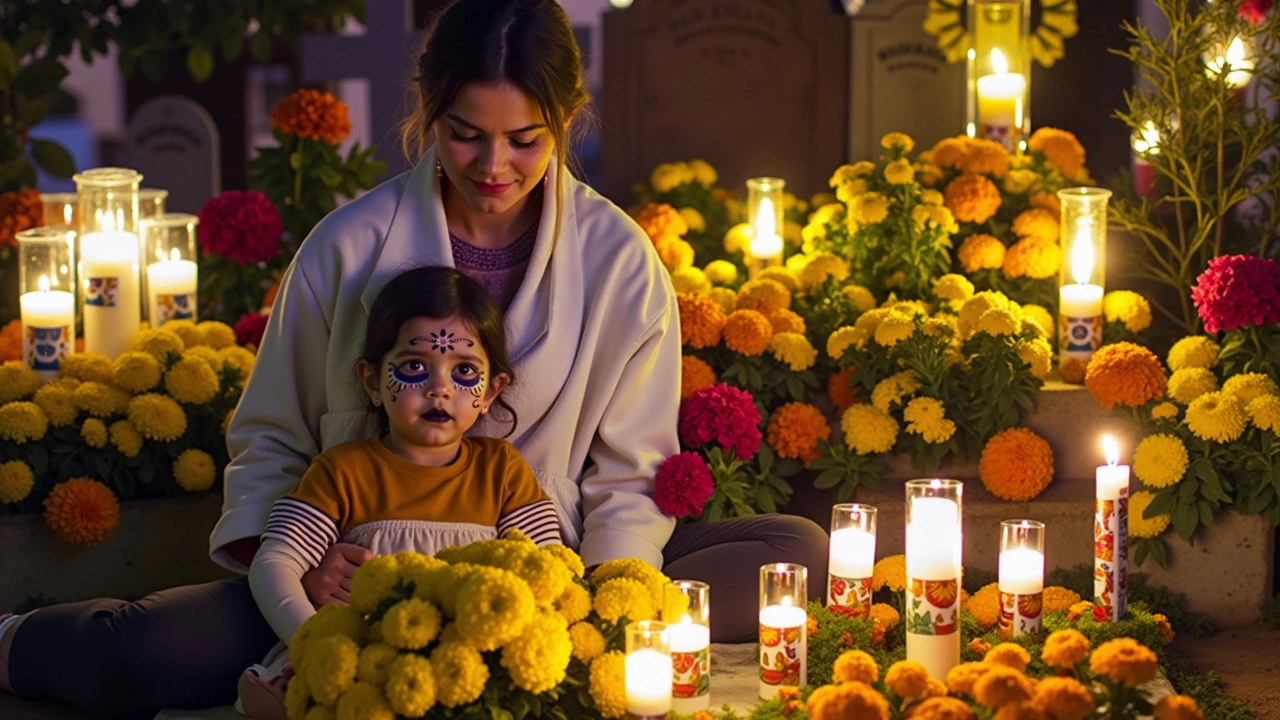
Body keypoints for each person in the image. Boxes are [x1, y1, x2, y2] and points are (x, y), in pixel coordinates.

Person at [0, 1, 826, 716]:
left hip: (548, 572)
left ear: (566, 122)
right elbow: (272, 440)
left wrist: (588, 608)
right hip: (363, 587)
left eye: (525, 140)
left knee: (792, 549)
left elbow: (629, 474)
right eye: (465, 136)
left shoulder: (618, 260)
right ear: (428, 115)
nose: (493, 168)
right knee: (137, 656)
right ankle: (14, 639)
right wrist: (306, 568)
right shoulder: (349, 245)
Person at [237, 265, 560, 719]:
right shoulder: (342, 470)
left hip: (468, 665)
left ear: (491, 391)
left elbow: (549, 571)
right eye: (414, 367)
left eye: (464, 370)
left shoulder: (502, 470)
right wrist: (311, 639)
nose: (440, 388)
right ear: (371, 381)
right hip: (364, 663)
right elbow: (274, 563)